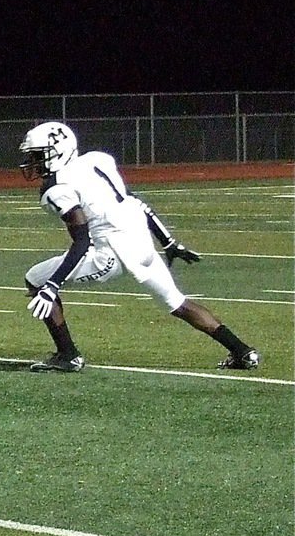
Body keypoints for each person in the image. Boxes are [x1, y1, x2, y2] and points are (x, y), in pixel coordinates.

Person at [18, 121, 260, 373]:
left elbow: (81, 241)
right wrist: (168, 241)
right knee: (176, 302)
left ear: (59, 151)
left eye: (38, 156)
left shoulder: (57, 189)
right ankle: (243, 352)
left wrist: (52, 285)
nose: (34, 163)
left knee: (36, 278)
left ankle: (68, 355)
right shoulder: (97, 160)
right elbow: (134, 201)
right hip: (140, 241)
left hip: (110, 253)